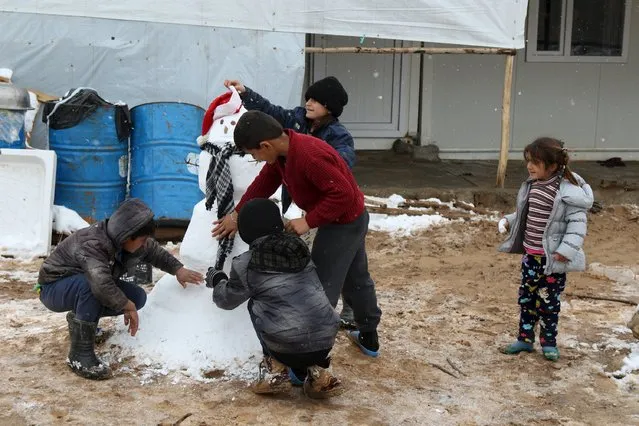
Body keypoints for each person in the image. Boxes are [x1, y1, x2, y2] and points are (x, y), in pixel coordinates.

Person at [212, 111, 382, 358]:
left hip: (343, 222)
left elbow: (343, 194)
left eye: (253, 154)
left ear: (265, 145)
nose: (256, 159)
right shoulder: (282, 155)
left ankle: (310, 353)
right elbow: (263, 184)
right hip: (343, 218)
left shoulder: (309, 156)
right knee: (356, 277)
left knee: (321, 286)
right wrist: (238, 215)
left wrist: (308, 221)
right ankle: (369, 335)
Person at [224, 76, 357, 329]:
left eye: (316, 100)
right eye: (308, 97)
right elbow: (270, 115)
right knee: (349, 263)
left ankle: (318, 328)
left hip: (336, 211)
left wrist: (323, 164)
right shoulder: (293, 126)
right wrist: (245, 94)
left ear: (330, 107)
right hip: (314, 207)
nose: (308, 103)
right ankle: (365, 322)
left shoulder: (331, 140)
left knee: (330, 270)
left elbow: (342, 182)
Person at [36, 198, 203, 380]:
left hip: (85, 284)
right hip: (53, 288)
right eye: (142, 239)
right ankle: (79, 355)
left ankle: (82, 320)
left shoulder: (127, 241)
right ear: (127, 235)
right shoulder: (93, 243)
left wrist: (178, 270)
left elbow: (153, 251)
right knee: (92, 286)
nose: (144, 243)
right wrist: (125, 305)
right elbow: (100, 283)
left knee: (137, 297)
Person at [207, 198, 343, 398]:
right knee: (300, 298)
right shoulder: (299, 248)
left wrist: (218, 278)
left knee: (255, 303)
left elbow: (226, 300)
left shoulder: (246, 263)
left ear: (246, 232)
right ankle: (321, 372)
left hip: (285, 345)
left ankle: (276, 371)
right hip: (325, 339)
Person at [498, 137, 593, 361]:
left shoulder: (569, 193)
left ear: (552, 166)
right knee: (527, 299)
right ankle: (524, 338)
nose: (529, 166)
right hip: (531, 256)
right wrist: (510, 220)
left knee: (548, 303)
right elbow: (526, 214)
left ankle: (548, 343)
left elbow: (577, 227)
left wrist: (566, 251)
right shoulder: (532, 186)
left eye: (535, 162)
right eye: (528, 161)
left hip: (553, 260)